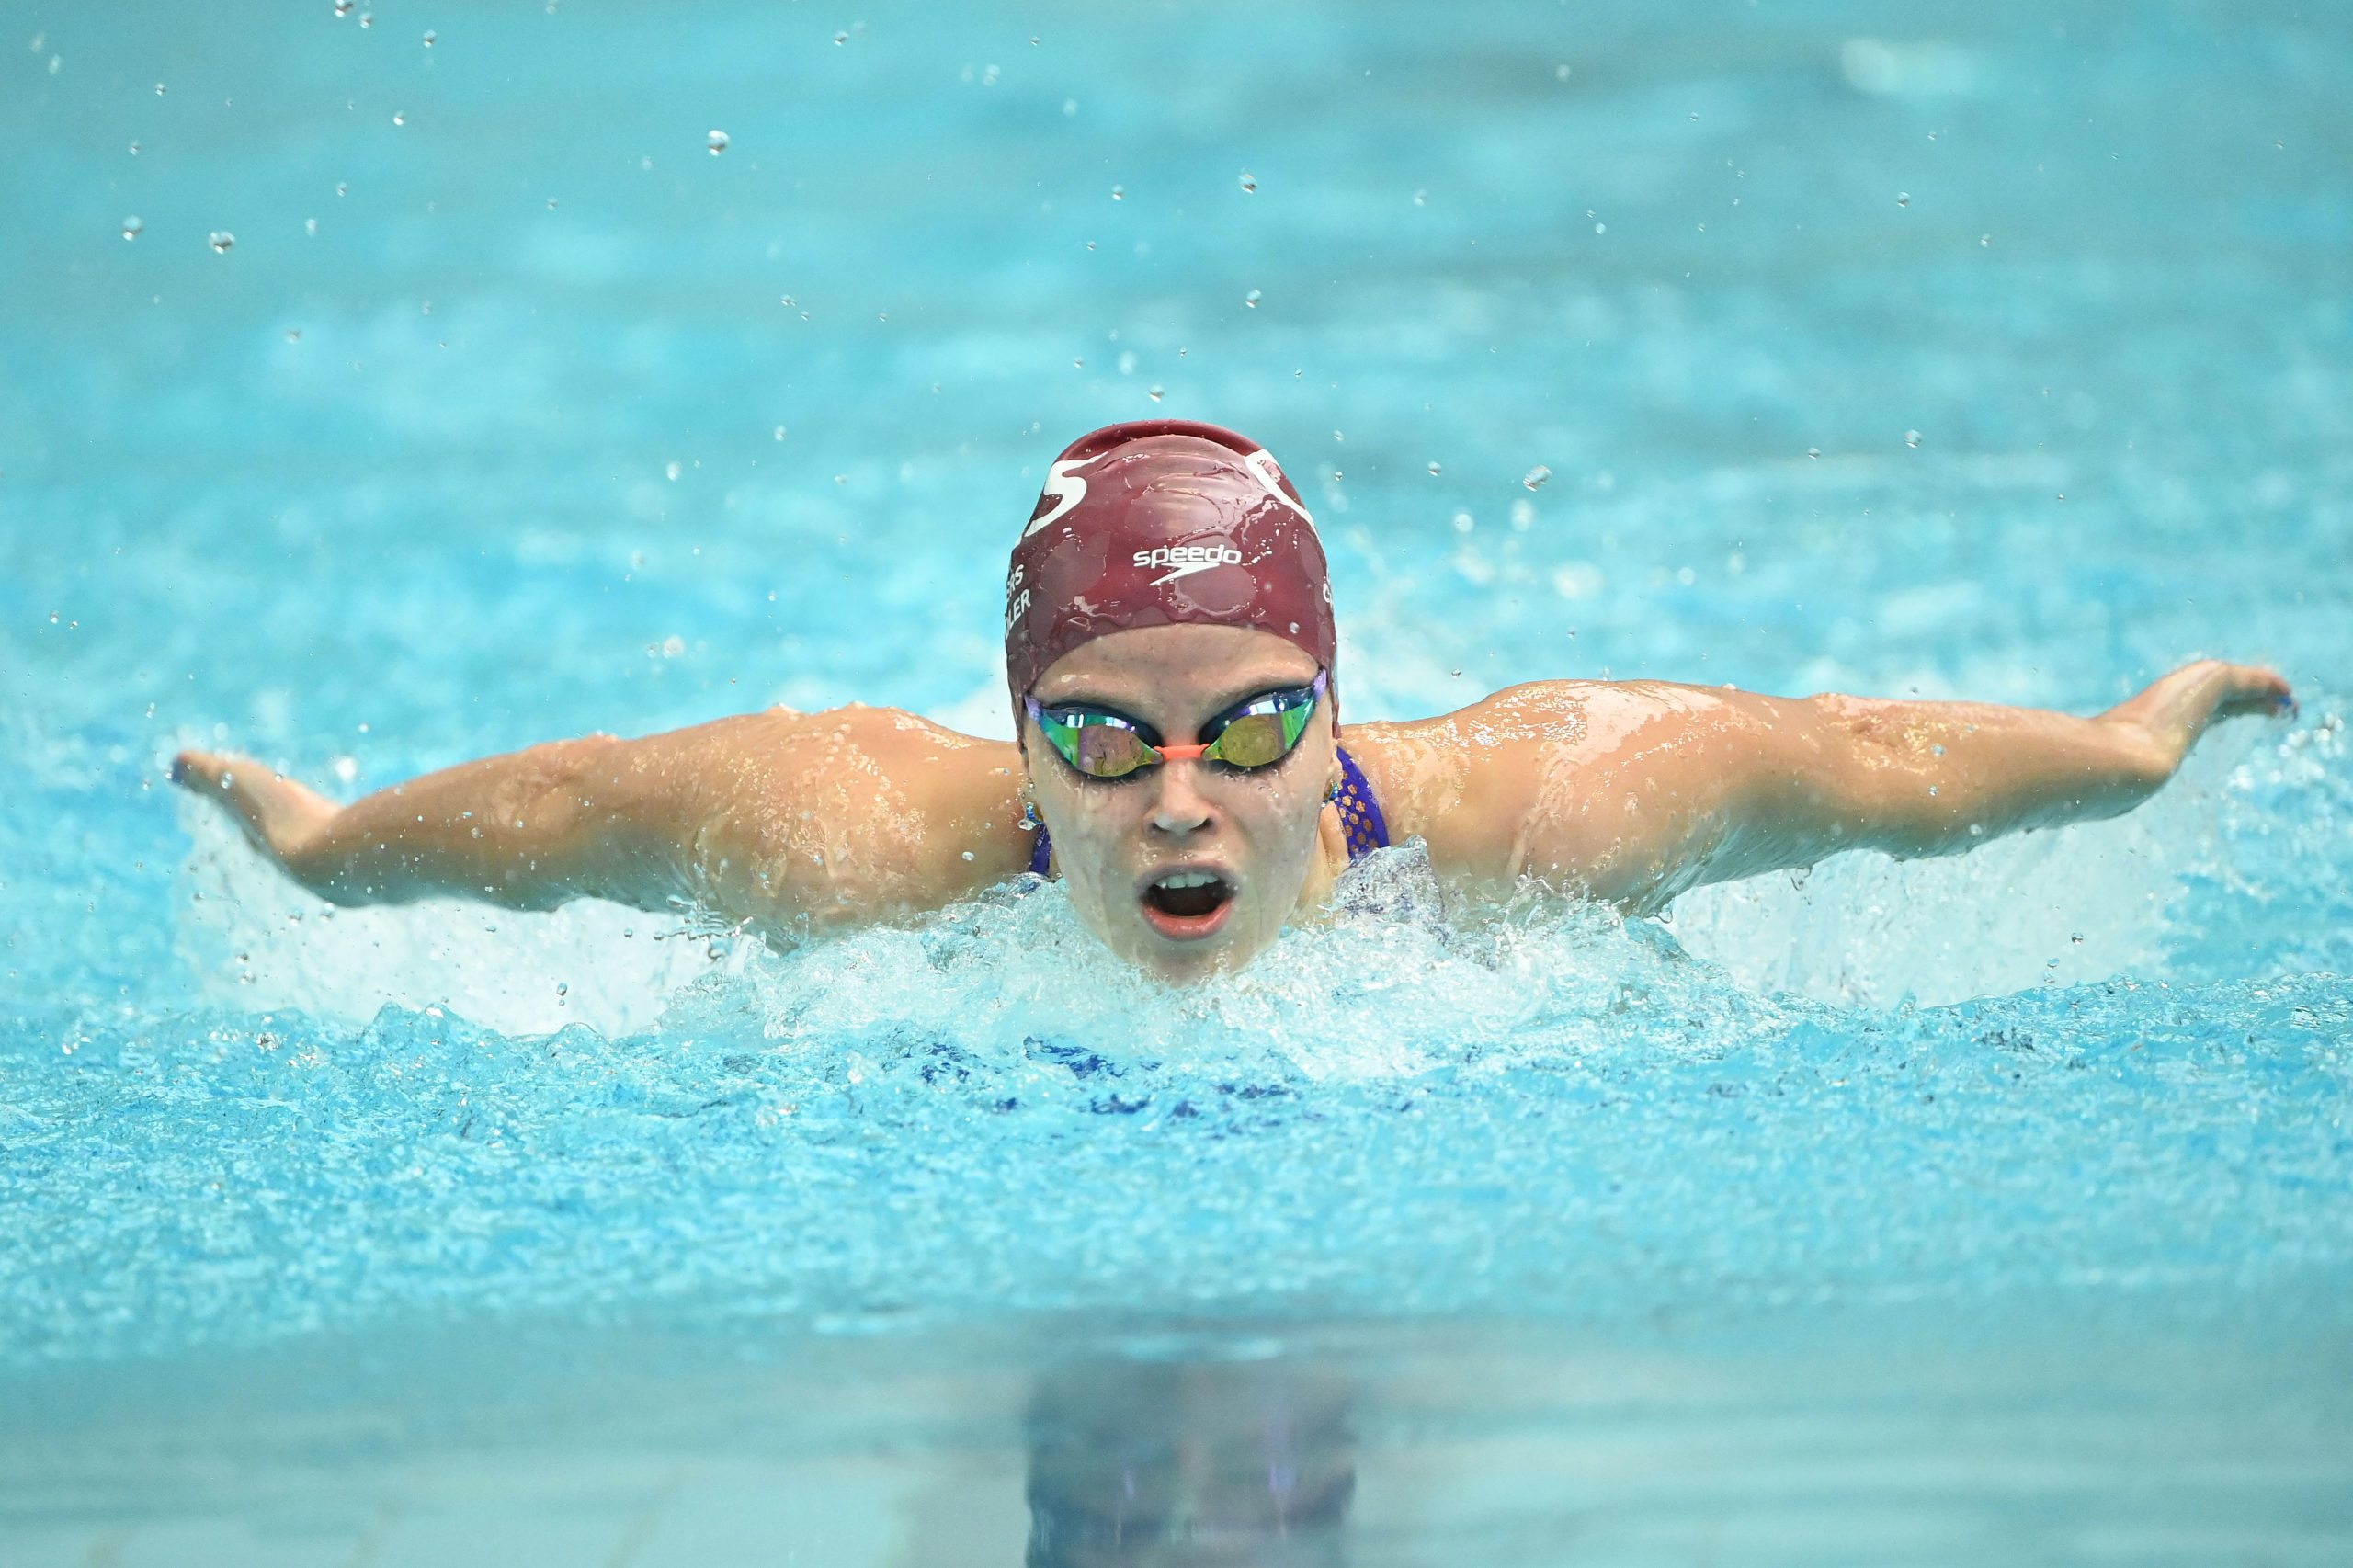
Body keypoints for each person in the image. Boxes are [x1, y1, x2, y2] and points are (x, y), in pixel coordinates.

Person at [175, 419, 2292, 985]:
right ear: (1016, 741)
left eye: (1252, 728)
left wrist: (2126, 745)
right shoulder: (857, 841)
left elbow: (1853, 764)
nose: (1178, 800)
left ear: (1334, 712)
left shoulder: (1539, 814)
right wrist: (325, 847)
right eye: (1102, 737)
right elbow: (579, 815)